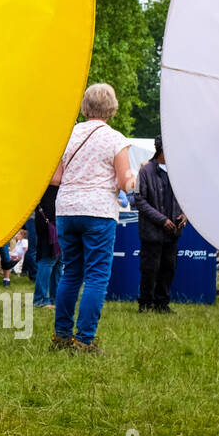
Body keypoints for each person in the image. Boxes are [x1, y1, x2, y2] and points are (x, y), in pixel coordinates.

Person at [51, 83, 135, 353]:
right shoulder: (115, 140)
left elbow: (55, 177)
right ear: (112, 108)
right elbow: (125, 183)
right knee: (96, 276)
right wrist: (135, 178)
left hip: (66, 209)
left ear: (85, 106)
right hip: (98, 211)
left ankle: (62, 335)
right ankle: (84, 339)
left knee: (70, 272)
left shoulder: (68, 135)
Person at [133, 134, 185, 314]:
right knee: (150, 269)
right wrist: (162, 220)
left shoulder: (178, 171)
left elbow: (187, 198)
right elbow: (139, 200)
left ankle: (162, 303)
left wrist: (185, 214)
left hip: (173, 233)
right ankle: (145, 303)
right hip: (151, 232)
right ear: (162, 150)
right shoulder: (145, 171)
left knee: (169, 267)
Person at [32, 184, 60, 308]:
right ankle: (40, 299)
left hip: (54, 219)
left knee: (58, 261)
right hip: (49, 220)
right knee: (48, 259)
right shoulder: (49, 173)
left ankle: (55, 298)